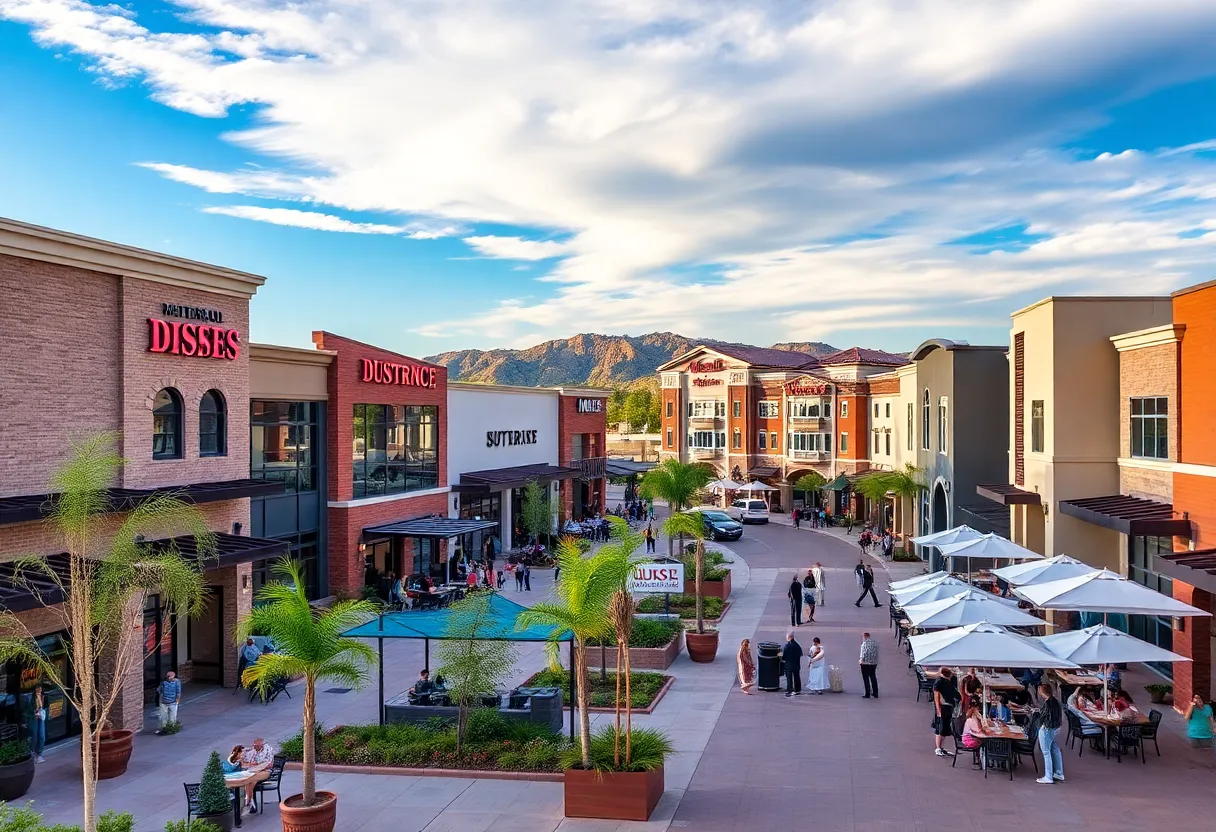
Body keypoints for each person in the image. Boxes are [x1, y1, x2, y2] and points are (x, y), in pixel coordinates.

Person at [1034, 683, 1064, 785]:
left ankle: (1048, 776)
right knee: (1054, 749)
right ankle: (1059, 773)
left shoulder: (1047, 703)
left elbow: (1043, 717)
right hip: (1054, 728)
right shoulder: (1055, 701)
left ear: (1042, 692)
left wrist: (1038, 722)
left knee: (1046, 752)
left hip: (1047, 728)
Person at [240, 737, 275, 812]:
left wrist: (259, 766)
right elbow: (245, 762)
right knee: (249, 779)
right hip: (255, 771)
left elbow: (270, 764)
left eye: (256, 746)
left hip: (266, 771)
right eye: (254, 745)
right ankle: (250, 801)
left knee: (251, 779)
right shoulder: (253, 750)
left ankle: (248, 800)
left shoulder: (268, 750)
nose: (254, 747)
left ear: (261, 745)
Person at [933, 668, 959, 757]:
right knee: (940, 728)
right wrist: (938, 710)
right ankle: (938, 748)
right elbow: (936, 697)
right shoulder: (939, 682)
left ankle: (941, 747)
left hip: (948, 707)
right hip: (943, 707)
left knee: (944, 729)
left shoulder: (948, 681)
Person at [782, 631, 804, 697]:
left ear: (789, 637)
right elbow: (801, 653)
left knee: (789, 678)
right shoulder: (797, 645)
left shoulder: (787, 646)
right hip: (796, 664)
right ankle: (798, 689)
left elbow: (784, 656)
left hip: (789, 665)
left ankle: (790, 690)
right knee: (797, 677)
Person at [859, 632, 879, 699]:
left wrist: (861, 660)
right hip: (873, 663)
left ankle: (867, 693)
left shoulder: (864, 644)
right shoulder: (875, 643)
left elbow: (863, 653)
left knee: (866, 678)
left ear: (864, 637)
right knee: (873, 677)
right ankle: (875, 693)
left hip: (865, 663)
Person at [30, 685, 47, 763]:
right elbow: (29, 708)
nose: (39, 690)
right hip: (34, 718)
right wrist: (34, 713)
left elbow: (44, 706)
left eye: (40, 688)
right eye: (38, 688)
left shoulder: (43, 696)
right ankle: (32, 754)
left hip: (41, 716)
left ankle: (39, 754)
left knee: (42, 736)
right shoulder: (32, 698)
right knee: (34, 736)